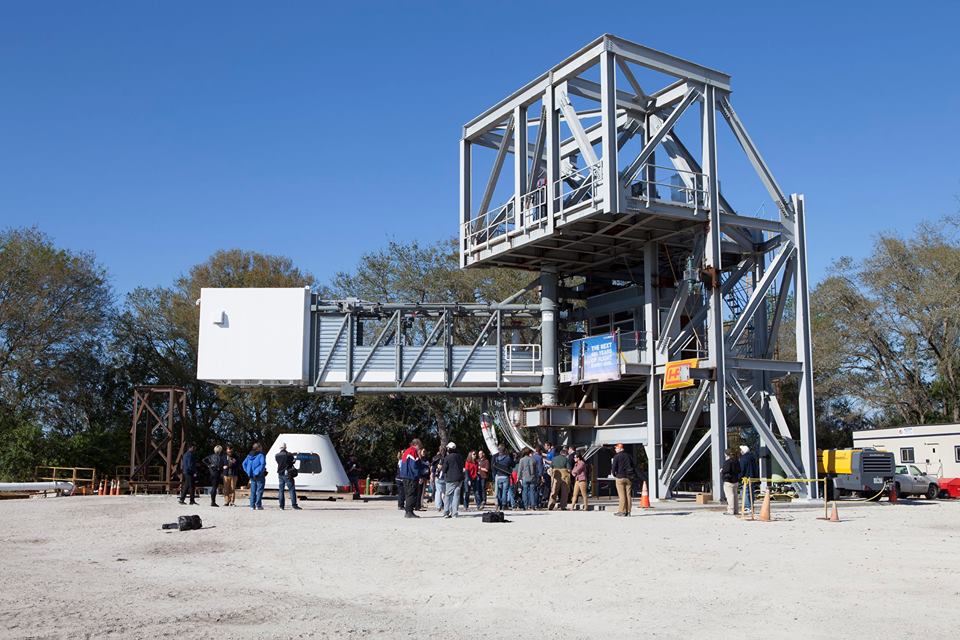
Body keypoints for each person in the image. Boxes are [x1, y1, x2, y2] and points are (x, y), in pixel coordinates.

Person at [398, 438, 423, 518]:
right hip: (411, 476)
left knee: (408, 493)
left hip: (405, 475)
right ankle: (409, 512)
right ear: (416, 445)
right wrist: (418, 475)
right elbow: (414, 465)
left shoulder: (407, 451)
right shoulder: (413, 451)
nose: (420, 448)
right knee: (411, 494)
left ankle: (408, 511)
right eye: (419, 446)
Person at [611, 443, 637, 517]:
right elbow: (634, 465)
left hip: (620, 478)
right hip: (629, 478)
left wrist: (614, 474)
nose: (615, 449)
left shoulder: (616, 456)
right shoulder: (629, 456)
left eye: (616, 448)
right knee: (628, 495)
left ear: (620, 449)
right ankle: (628, 512)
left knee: (622, 495)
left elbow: (613, 468)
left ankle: (622, 511)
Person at [275, 442, 302, 511]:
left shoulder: (277, 455)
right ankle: (294, 505)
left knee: (281, 490)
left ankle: (281, 506)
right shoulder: (289, 454)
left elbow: (279, 463)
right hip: (287, 473)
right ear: (285, 447)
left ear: (280, 448)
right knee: (291, 489)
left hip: (280, 473)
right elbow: (293, 461)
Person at [442, 442, 465, 518]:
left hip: (451, 479)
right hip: (459, 479)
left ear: (449, 449)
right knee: (456, 496)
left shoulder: (447, 457)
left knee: (448, 495)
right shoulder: (459, 456)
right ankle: (454, 513)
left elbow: (444, 469)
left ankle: (446, 512)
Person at [242, 443, 267, 510]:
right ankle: (258, 505)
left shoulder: (249, 455)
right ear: (258, 448)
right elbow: (263, 464)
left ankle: (252, 506)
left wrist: (248, 471)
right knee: (259, 490)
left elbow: (243, 464)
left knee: (253, 491)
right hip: (259, 475)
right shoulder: (261, 455)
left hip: (251, 475)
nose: (261, 448)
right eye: (260, 447)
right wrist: (259, 471)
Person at [492, 444, 514, 510]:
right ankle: (504, 505)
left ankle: (499, 504)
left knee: (499, 491)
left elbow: (494, 467)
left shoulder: (496, 459)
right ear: (504, 450)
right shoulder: (508, 458)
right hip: (505, 476)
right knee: (505, 491)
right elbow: (513, 464)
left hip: (498, 476)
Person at [739, 445, 759, 512]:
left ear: (743, 451)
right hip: (752, 477)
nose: (740, 451)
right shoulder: (752, 458)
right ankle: (751, 506)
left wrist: (739, 477)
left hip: (746, 478)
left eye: (741, 450)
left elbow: (742, 469)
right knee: (751, 492)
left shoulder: (743, 458)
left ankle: (747, 507)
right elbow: (756, 468)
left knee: (745, 492)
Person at [722, 447, 741, 515]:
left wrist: (722, 470)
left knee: (730, 496)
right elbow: (739, 470)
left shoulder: (727, 462)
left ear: (726, 454)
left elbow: (726, 470)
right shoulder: (736, 461)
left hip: (728, 481)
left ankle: (730, 510)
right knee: (735, 496)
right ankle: (736, 510)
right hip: (735, 480)